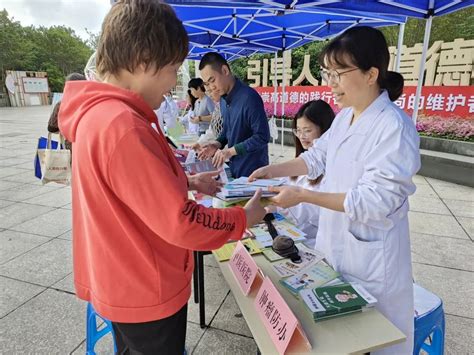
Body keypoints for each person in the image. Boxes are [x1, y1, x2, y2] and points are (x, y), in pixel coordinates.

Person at [58, 1, 266, 354]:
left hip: (121, 278)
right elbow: (180, 222)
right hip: (144, 285)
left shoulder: (100, 115)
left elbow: (127, 187)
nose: (173, 84)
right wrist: (242, 218)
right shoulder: (123, 125)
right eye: (172, 69)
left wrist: (185, 182)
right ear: (142, 60)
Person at [249, 26, 420, 354]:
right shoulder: (344, 119)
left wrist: (303, 195)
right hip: (337, 249)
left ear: (371, 74)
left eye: (339, 73)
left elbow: (375, 202)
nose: (331, 82)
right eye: (328, 72)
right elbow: (315, 159)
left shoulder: (393, 128)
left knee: (369, 340)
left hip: (372, 262)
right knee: (336, 336)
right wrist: (275, 170)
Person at [197, 52, 270, 178]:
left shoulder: (249, 98)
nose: (211, 87)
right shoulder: (224, 100)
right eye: (207, 84)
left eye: (212, 80)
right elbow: (227, 131)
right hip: (236, 170)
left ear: (225, 70)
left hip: (254, 172)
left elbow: (262, 136)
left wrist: (230, 151)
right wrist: (216, 144)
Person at [275, 100, 335, 248]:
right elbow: (282, 182)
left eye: (307, 131)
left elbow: (318, 211)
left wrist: (280, 205)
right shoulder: (302, 159)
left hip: (314, 243)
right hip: (290, 236)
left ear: (325, 131)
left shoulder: (332, 170)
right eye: (298, 130)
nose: (302, 136)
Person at [47, 72, 86, 152]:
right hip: (90, 147)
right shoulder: (93, 102)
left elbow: (52, 128)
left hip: (71, 148)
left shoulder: (62, 104)